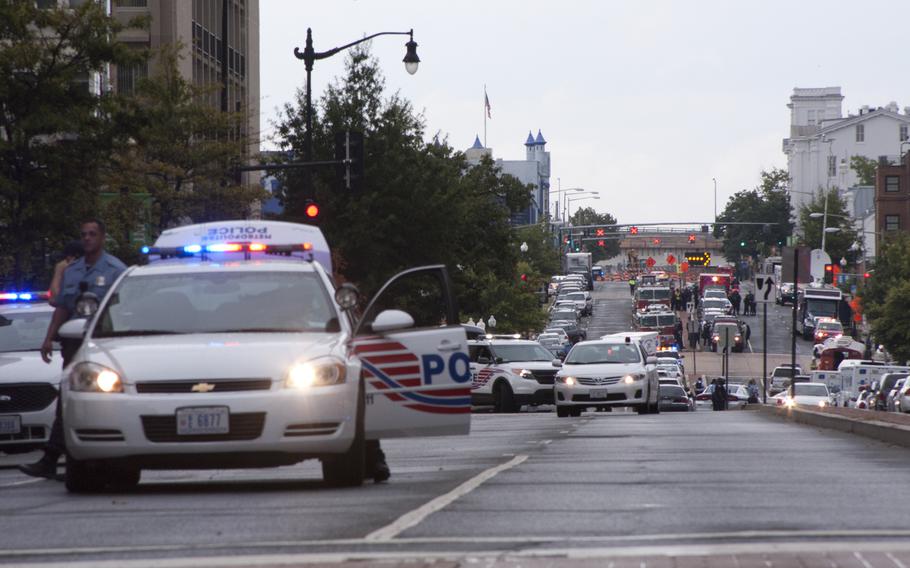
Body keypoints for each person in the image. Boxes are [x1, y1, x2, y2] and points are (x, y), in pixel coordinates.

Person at [19, 219, 127, 480]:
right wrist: (48, 338)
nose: (87, 238)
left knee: (93, 401)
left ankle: (67, 458)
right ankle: (55, 459)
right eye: (83, 235)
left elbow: (122, 311)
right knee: (68, 400)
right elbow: (63, 307)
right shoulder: (72, 271)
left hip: (102, 346)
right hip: (72, 343)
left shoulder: (116, 270)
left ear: (103, 237)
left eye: (92, 234)